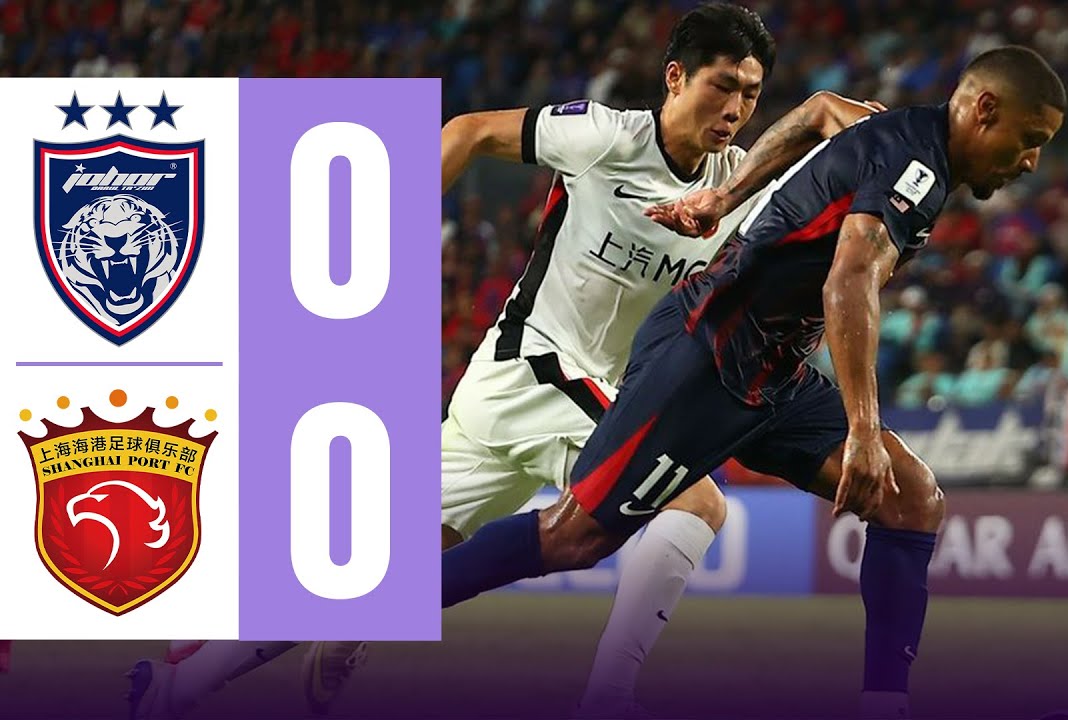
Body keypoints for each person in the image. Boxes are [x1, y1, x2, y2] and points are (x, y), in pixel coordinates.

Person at [127, 5, 883, 719]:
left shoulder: (739, 185)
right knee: (699, 503)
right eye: (723, 85)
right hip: (539, 367)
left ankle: (175, 689)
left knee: (389, 569)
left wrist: (858, 127)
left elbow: (832, 174)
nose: (737, 108)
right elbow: (468, 131)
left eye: (751, 94)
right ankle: (609, 696)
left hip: (526, 390)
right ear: (676, 77)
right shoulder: (605, 136)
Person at [441, 45, 1066, 720]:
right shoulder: (914, 166)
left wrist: (723, 196)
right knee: (575, 538)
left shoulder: (905, 138)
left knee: (910, 499)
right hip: (707, 357)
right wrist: (863, 430)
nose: (1032, 160)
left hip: (773, 372)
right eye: (1030, 138)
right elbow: (849, 279)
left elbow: (816, 111)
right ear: (985, 109)